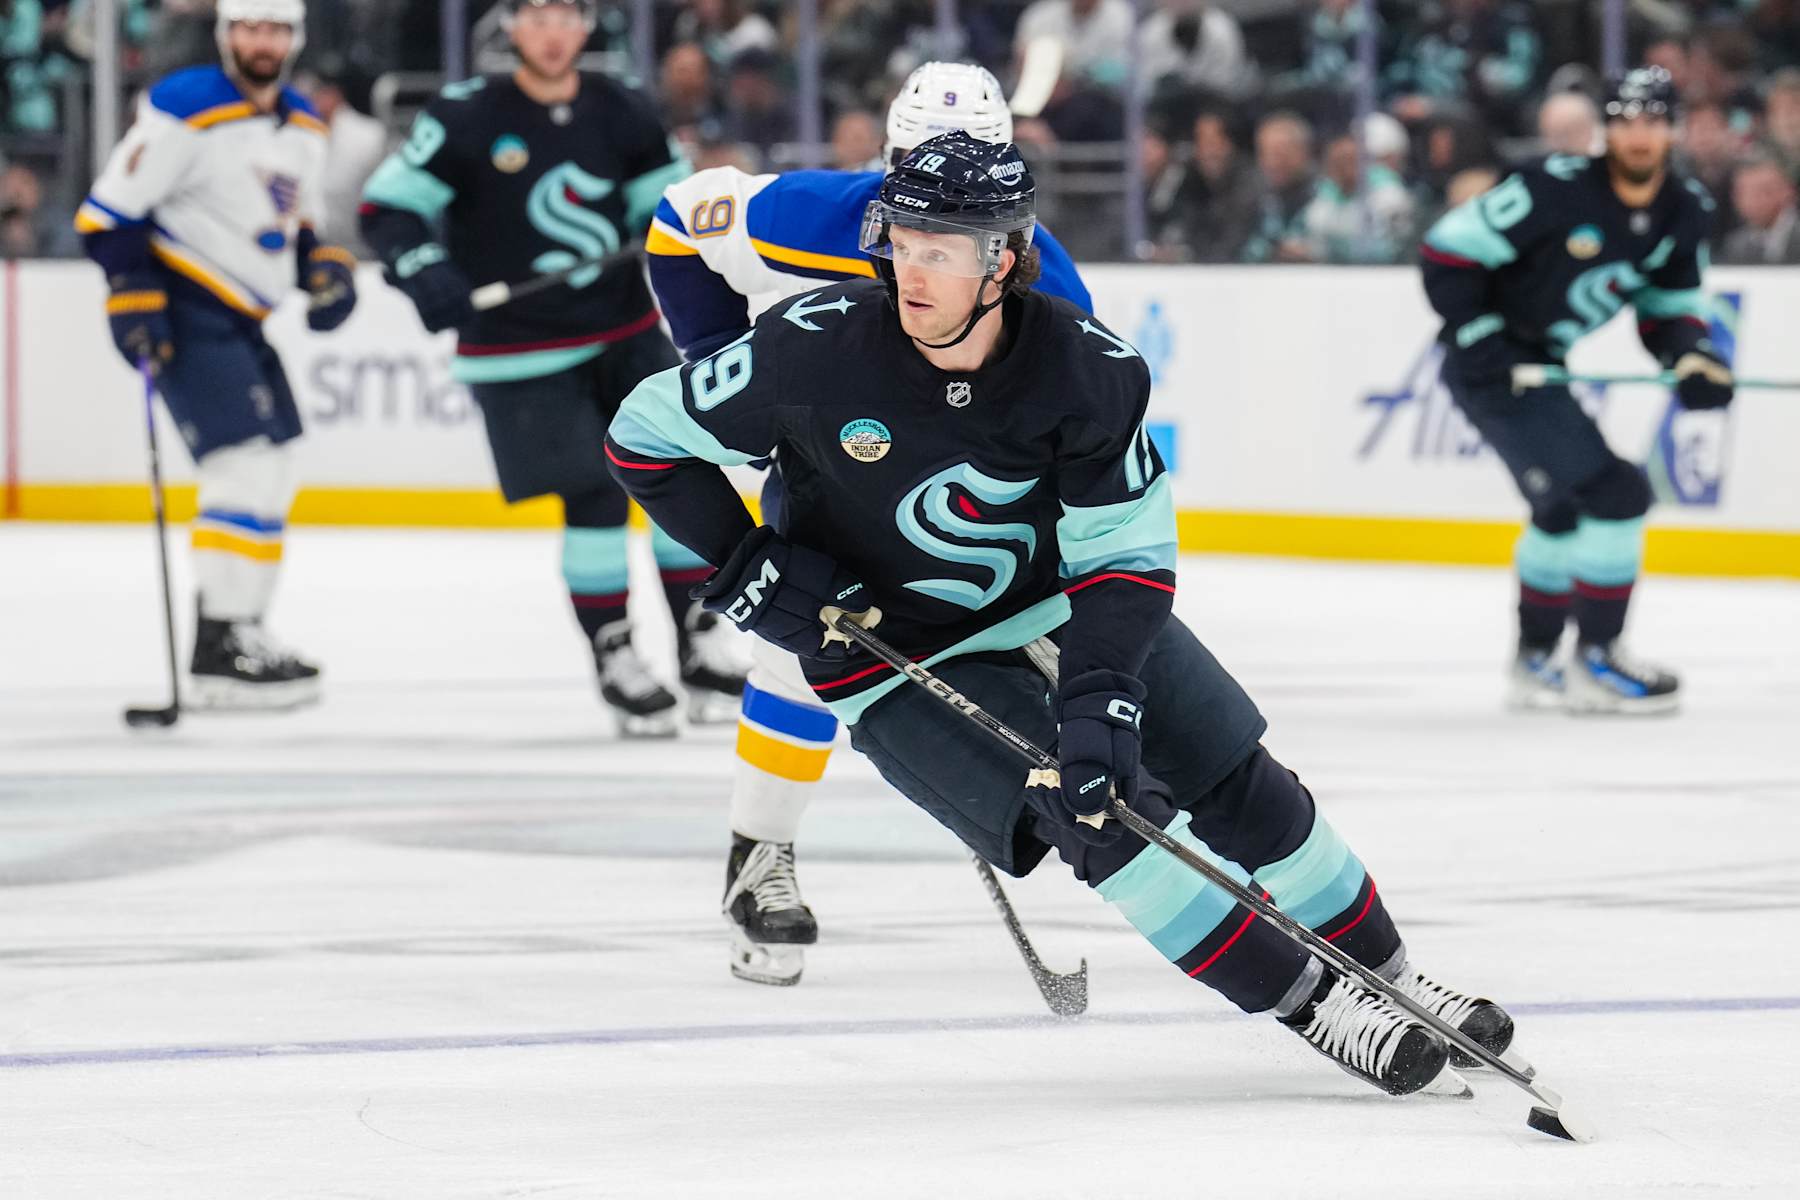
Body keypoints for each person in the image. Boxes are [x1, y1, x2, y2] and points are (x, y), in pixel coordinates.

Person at [608, 131, 1517, 1099]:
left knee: (1238, 779)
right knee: (1099, 817)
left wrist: (1101, 698)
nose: (911, 272)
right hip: (888, 652)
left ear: (1004, 258)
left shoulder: (1088, 370)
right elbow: (642, 436)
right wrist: (750, 566)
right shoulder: (811, 345)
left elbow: (1124, 558)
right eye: (901, 244)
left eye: (940, 251)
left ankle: (1394, 976)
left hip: (1050, 600)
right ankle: (1318, 1006)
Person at [644, 61, 1091, 986]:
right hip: (828, 476)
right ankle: (757, 858)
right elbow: (681, 220)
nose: (942, 204)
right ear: (887, 161)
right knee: (796, 658)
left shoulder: (1047, 280)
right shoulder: (804, 215)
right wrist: (725, 368)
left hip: (956, 504)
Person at [359, 0, 746, 737]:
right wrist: (423, 266)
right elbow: (387, 209)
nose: (552, 31)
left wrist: (684, 229)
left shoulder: (622, 106)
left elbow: (669, 209)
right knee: (594, 495)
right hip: (519, 349)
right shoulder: (466, 114)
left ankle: (699, 639)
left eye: (566, 14)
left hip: (626, 332)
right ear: (510, 26)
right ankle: (616, 652)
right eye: (535, 14)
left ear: (585, 25)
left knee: (683, 476)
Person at [1419, 67, 1732, 714]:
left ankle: (1535, 660)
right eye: (1624, 121)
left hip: (1541, 364)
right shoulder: (1552, 188)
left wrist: (1691, 355)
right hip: (1491, 368)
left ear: (1672, 130)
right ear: (1604, 130)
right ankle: (1598, 659)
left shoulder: (1685, 210)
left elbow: (1668, 306)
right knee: (1616, 493)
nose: (1638, 135)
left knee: (1561, 509)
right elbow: (1447, 252)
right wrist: (1482, 336)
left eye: (1652, 121)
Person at [76, 0, 356, 710]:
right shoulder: (186, 105)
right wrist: (132, 287)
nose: (262, 41)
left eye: (275, 29)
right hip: (187, 307)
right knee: (243, 465)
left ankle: (244, 628)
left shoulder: (304, 124)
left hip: (246, 319)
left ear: (294, 38)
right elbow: (108, 213)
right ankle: (219, 643)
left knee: (274, 467)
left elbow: (300, 225)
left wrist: (323, 270)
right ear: (226, 34)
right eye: (249, 27)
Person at [1718, 155, 1800, 265]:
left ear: (1788, 191)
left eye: (1763, 191)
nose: (1750, 201)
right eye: (1742, 193)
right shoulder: (1736, 245)